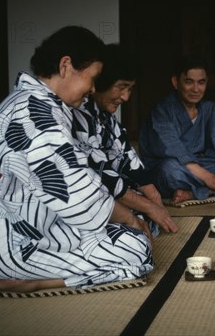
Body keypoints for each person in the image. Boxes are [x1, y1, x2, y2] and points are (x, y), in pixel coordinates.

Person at [0, 26, 154, 293]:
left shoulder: (38, 103)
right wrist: (129, 219)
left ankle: (44, 277)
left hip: (38, 225)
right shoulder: (36, 113)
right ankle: (40, 282)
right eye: (92, 78)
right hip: (16, 243)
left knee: (136, 234)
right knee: (137, 251)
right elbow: (76, 190)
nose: (92, 88)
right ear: (66, 65)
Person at [72, 44, 178, 233]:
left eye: (130, 88)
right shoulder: (80, 113)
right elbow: (101, 175)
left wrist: (155, 201)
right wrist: (149, 207)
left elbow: (128, 158)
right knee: (135, 222)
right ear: (100, 82)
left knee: (147, 213)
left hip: (113, 190)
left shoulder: (106, 116)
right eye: (121, 87)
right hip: (87, 194)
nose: (126, 97)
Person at [139, 55, 215, 205]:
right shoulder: (162, 110)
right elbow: (171, 147)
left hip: (201, 164)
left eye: (201, 82)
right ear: (175, 82)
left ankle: (195, 192)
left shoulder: (208, 108)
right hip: (175, 166)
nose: (196, 89)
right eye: (189, 82)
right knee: (168, 170)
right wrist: (208, 178)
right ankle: (213, 190)